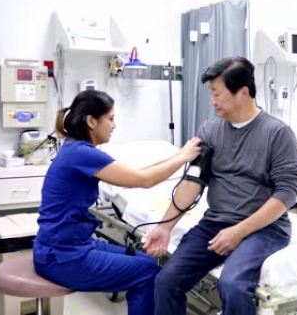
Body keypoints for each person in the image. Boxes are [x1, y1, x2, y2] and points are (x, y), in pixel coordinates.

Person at [144, 57, 297, 315]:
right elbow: (193, 181)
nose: (212, 101)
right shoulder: (210, 130)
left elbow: (286, 194)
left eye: (217, 93)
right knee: (167, 280)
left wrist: (238, 231)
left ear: (243, 93)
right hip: (215, 224)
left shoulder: (278, 134)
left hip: (265, 229)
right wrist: (164, 227)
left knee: (233, 285)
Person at [33, 90, 201, 315]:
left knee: (148, 264)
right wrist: (184, 157)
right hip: (62, 257)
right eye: (110, 118)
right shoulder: (83, 154)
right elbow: (144, 180)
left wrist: (179, 154)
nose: (114, 125)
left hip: (67, 246)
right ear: (91, 121)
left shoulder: (75, 149)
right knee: (147, 272)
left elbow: (140, 172)